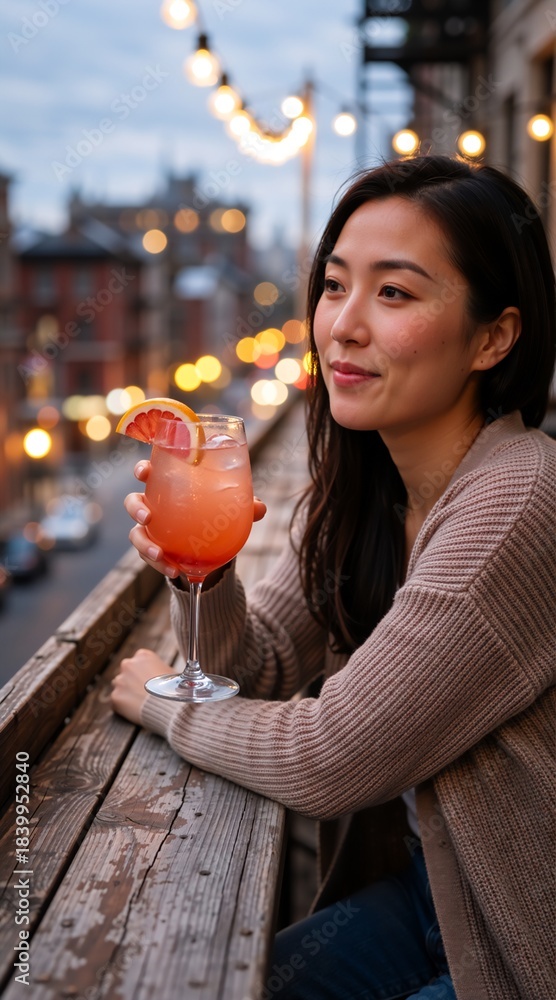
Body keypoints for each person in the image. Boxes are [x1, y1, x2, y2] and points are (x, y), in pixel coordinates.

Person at [111, 155, 556, 1000]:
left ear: (495, 336)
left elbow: (330, 757)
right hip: (438, 894)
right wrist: (202, 575)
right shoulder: (366, 480)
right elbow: (265, 665)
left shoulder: (517, 501)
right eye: (335, 285)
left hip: (520, 940)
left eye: (394, 293)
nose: (342, 324)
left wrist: (168, 702)